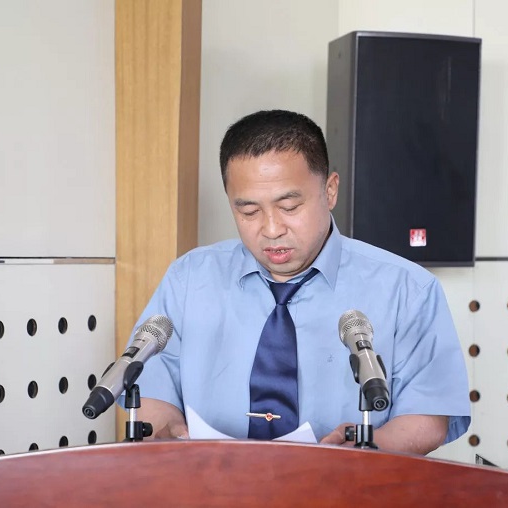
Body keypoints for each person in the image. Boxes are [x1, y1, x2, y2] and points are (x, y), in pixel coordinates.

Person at [129, 109, 470, 454]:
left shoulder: (407, 289)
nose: (271, 229)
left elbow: (428, 415)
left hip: (348, 483)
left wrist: (366, 449)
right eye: (249, 212)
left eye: (289, 206)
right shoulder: (190, 278)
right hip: (209, 480)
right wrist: (169, 432)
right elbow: (152, 388)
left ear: (330, 190)